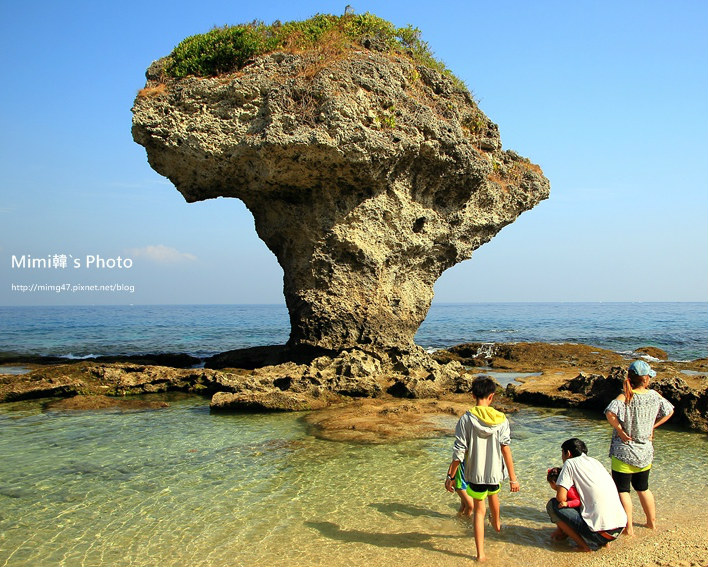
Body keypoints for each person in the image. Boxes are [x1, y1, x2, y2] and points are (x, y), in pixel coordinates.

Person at [444, 376, 520, 562]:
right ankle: (497, 522)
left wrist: (450, 475)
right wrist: (513, 477)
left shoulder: (466, 419)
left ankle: (481, 554)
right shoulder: (502, 419)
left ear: (473, 395)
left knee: (479, 511)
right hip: (495, 472)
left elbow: (459, 453)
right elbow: (506, 449)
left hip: (475, 474)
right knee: (494, 495)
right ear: (492, 396)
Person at [604, 360, 674, 535]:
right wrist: (652, 427)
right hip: (644, 451)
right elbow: (670, 411)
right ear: (646, 379)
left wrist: (620, 430)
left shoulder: (624, 397)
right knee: (643, 488)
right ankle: (651, 523)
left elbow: (609, 413)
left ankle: (629, 529)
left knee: (623, 491)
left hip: (623, 451)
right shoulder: (654, 396)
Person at [546, 438, 627, 552]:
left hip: (601, 534)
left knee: (552, 505)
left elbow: (561, 498)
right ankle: (604, 543)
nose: (562, 457)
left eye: (562, 453)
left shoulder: (569, 463)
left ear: (568, 453)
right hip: (619, 528)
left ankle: (583, 546)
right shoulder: (595, 462)